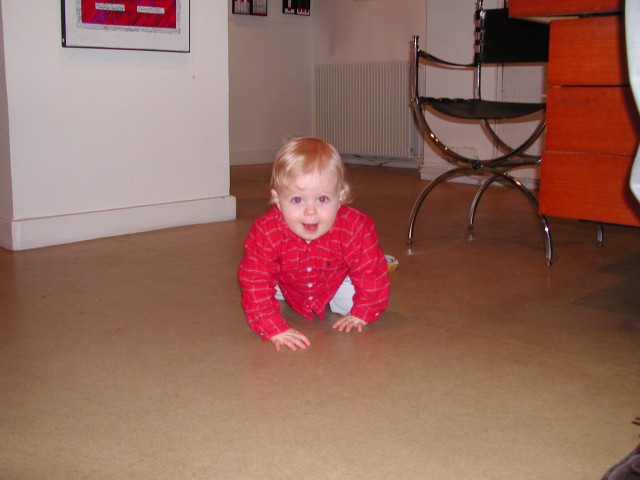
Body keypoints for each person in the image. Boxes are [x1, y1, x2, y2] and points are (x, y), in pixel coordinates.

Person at [238, 137, 390, 351]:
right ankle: (282, 292)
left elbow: (371, 271)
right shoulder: (265, 232)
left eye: (322, 199)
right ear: (278, 200)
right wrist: (272, 326)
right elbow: (255, 281)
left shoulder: (356, 227)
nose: (311, 212)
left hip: (335, 279)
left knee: (352, 302)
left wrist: (364, 311)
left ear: (340, 196)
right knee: (264, 291)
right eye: (297, 200)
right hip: (284, 280)